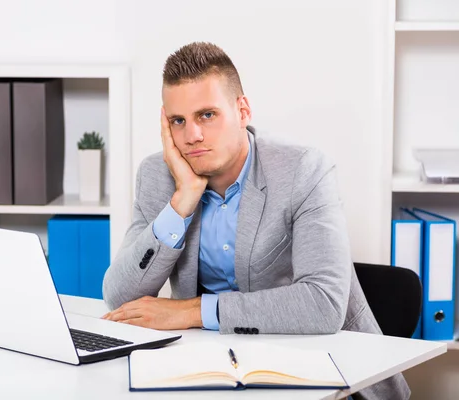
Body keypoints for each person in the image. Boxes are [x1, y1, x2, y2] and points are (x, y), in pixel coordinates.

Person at [101, 41, 410, 400]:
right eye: (178, 121)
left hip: (324, 374)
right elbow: (120, 297)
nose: (192, 136)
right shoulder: (158, 175)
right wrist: (181, 202)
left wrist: (191, 311)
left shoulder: (303, 170)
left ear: (242, 110)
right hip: (210, 370)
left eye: (207, 115)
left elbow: (323, 304)